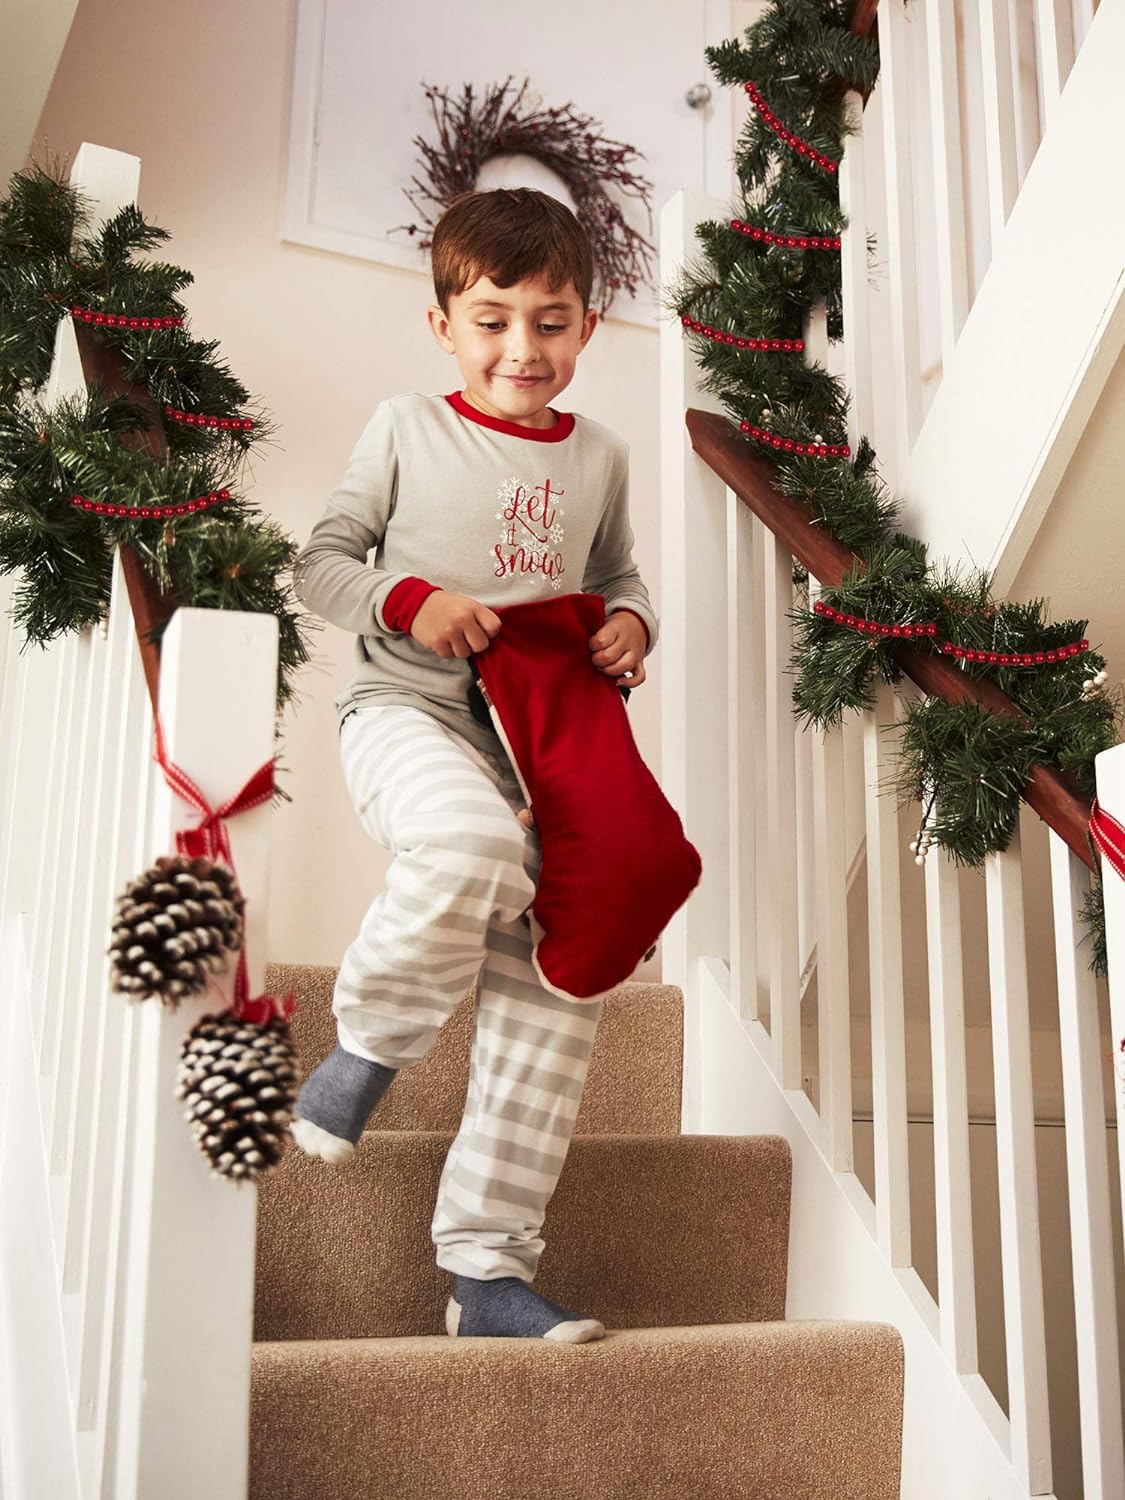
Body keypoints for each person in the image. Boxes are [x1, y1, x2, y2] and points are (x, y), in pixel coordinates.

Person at [289, 186, 659, 1342]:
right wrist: (413, 599)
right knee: (468, 845)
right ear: (446, 322)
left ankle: (487, 1273)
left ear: (587, 329)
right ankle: (367, 1046)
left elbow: (619, 576)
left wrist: (632, 626)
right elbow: (324, 565)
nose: (522, 348)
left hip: (544, 750)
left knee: (564, 982)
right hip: (408, 715)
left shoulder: (599, 457)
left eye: (551, 322)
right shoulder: (407, 427)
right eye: (493, 319)